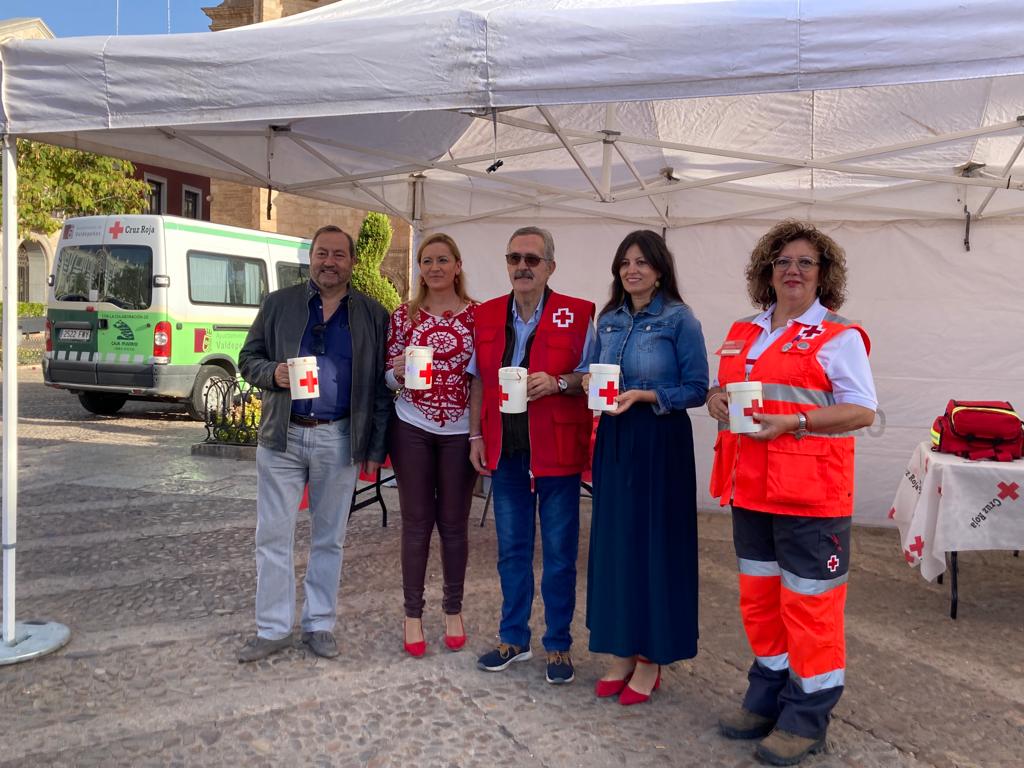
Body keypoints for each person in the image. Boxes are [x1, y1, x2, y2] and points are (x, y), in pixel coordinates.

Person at [707, 220, 876, 765]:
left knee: (811, 610)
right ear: (768, 271)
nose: (793, 271)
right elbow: (732, 390)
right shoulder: (745, 329)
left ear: (823, 274)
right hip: (750, 488)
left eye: (806, 262)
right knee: (760, 604)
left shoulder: (840, 335)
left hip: (810, 496)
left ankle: (808, 718)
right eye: (783, 262)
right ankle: (767, 699)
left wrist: (796, 422)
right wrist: (715, 398)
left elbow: (862, 410)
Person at [236, 224, 392, 662]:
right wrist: (274, 375)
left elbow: (381, 388)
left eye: (339, 255)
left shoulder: (373, 314)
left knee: (330, 538)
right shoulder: (278, 304)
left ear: (353, 263)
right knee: (272, 535)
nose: (329, 262)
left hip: (339, 437)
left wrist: (374, 449)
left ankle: (319, 623)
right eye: (322, 253)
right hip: (282, 436)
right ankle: (272, 628)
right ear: (311, 259)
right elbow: (248, 359)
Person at [583, 230, 708, 706]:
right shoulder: (609, 319)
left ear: (659, 269)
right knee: (616, 545)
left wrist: (648, 395)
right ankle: (621, 649)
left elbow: (698, 387)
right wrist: (595, 391)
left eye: (641, 262)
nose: (631, 270)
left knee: (655, 546)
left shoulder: (680, 319)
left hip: (660, 441)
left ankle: (652, 657)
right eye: (624, 263)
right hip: (615, 438)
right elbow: (598, 374)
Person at [468, 225, 595, 685]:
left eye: (532, 259)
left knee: (560, 554)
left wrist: (559, 382)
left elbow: (594, 376)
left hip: (556, 450)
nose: (522, 266)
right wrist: (473, 437)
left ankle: (558, 644)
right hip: (505, 452)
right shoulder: (484, 315)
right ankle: (513, 638)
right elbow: (478, 379)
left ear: (550, 267)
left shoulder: (578, 314)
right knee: (512, 551)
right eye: (514, 258)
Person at [386, 233, 478, 657]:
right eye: (427, 260)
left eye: (443, 259)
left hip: (460, 430)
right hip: (412, 426)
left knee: (455, 525)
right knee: (416, 524)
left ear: (458, 265)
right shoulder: (402, 316)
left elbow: (481, 378)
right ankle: (412, 614)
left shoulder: (479, 316)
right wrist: (398, 372)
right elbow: (386, 375)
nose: (435, 267)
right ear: (419, 268)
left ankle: (454, 609)